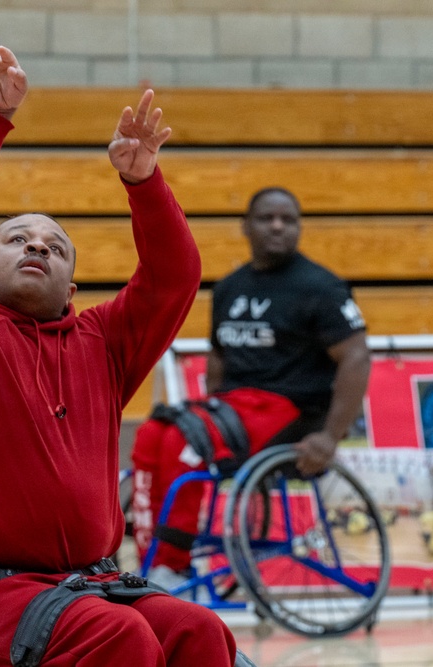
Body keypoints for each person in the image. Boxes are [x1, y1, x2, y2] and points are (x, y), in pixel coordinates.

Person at [0, 31, 235, 667]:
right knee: (119, 637)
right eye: (17, 239)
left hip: (92, 581)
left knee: (199, 631)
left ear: (71, 285)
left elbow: (174, 276)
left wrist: (144, 182)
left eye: (53, 246)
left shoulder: (102, 342)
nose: (37, 247)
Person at [131, 186, 372, 581]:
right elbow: (218, 358)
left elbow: (356, 357)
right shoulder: (228, 288)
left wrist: (330, 436)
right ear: (245, 226)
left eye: (288, 220)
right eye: (266, 218)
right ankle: (150, 561)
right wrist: (211, 411)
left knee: (184, 441)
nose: (278, 226)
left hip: (290, 410)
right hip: (235, 407)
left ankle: (171, 568)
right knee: (153, 433)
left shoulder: (321, 288)